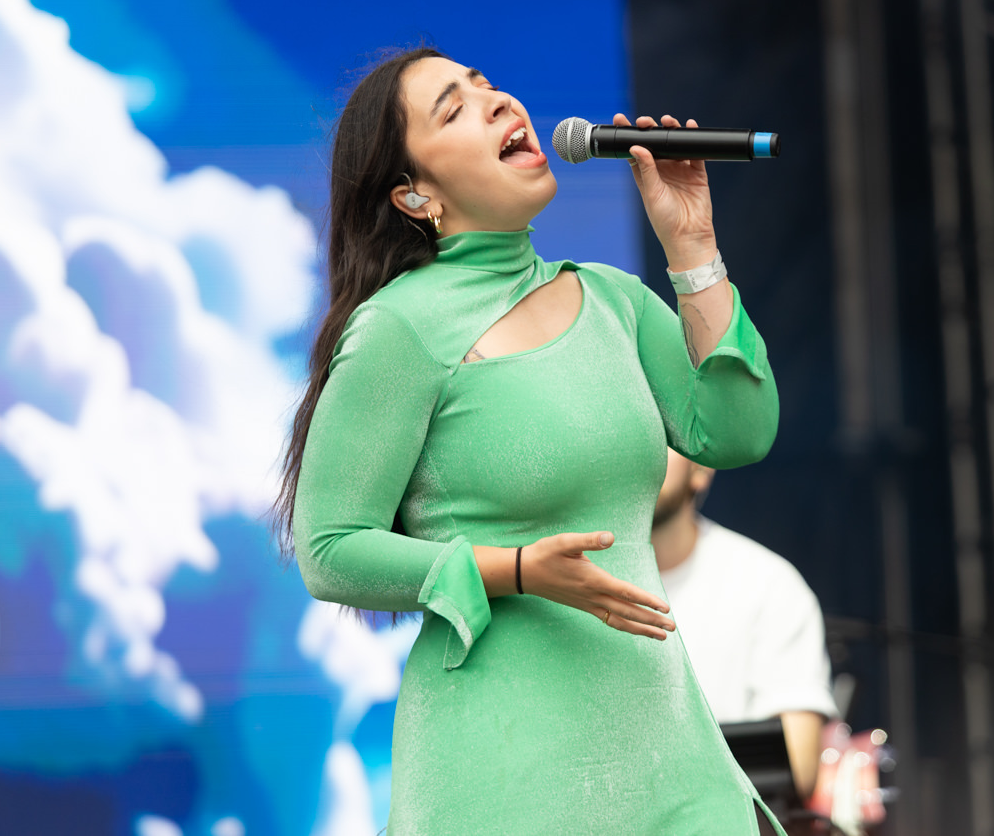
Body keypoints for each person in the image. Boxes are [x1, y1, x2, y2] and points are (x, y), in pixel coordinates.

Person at [273, 47, 783, 836]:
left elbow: (737, 433)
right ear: (414, 194)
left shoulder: (614, 298)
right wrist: (517, 570)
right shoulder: (400, 329)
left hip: (664, 745)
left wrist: (692, 247)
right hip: (505, 771)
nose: (497, 99)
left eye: (486, 83)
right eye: (455, 107)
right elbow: (330, 547)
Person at [652, 450, 837, 801]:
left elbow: (797, 767)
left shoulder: (767, 584)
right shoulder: (557, 580)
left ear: (701, 468)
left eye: (661, 436)